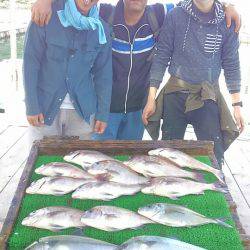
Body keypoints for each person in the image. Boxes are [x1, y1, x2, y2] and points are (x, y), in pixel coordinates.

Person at [31, 0, 241, 140]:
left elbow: (197, 5)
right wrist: (46, 0)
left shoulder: (159, 14)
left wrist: (225, 6)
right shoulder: (104, 14)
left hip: (138, 111)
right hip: (104, 110)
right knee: (98, 164)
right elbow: (77, 5)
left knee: (129, 160)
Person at [142, 0, 244, 165]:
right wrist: (151, 98)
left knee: (214, 154)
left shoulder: (228, 20)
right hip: (175, 93)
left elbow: (231, 64)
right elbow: (161, 57)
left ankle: (215, 183)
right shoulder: (175, 15)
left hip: (207, 95)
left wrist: (237, 105)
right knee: (167, 154)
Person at [23, 0, 112, 140]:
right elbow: (30, 64)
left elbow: (104, 75)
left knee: (80, 161)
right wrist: (32, 106)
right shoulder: (45, 14)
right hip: (44, 109)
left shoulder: (102, 29)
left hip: (83, 113)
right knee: (42, 160)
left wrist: (103, 114)